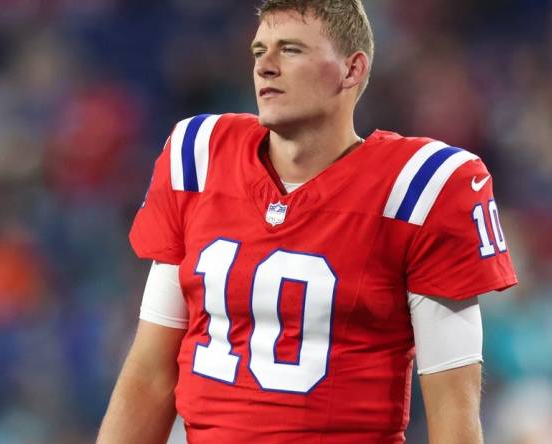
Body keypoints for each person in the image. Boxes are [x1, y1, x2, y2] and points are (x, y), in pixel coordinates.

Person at [97, 1, 517, 442]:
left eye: (291, 50)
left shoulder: (423, 188)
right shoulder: (199, 156)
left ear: (352, 70)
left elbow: (454, 409)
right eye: (259, 51)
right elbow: (151, 373)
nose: (266, 67)